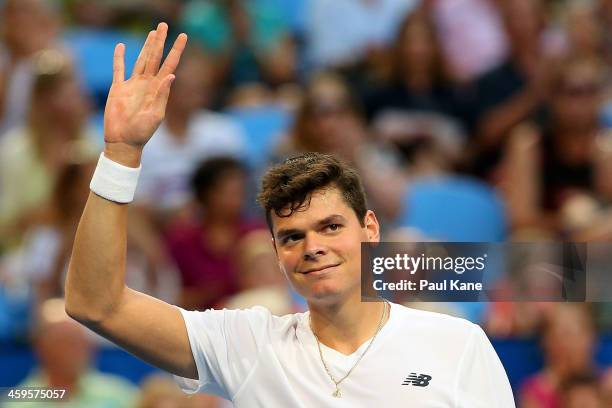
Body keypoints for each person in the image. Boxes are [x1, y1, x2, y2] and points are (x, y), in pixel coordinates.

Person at [65, 22, 515, 406]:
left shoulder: (456, 344)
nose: (313, 247)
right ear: (277, 253)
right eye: (292, 237)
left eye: (331, 227)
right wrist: (121, 153)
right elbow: (95, 304)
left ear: (371, 230)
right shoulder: (245, 344)